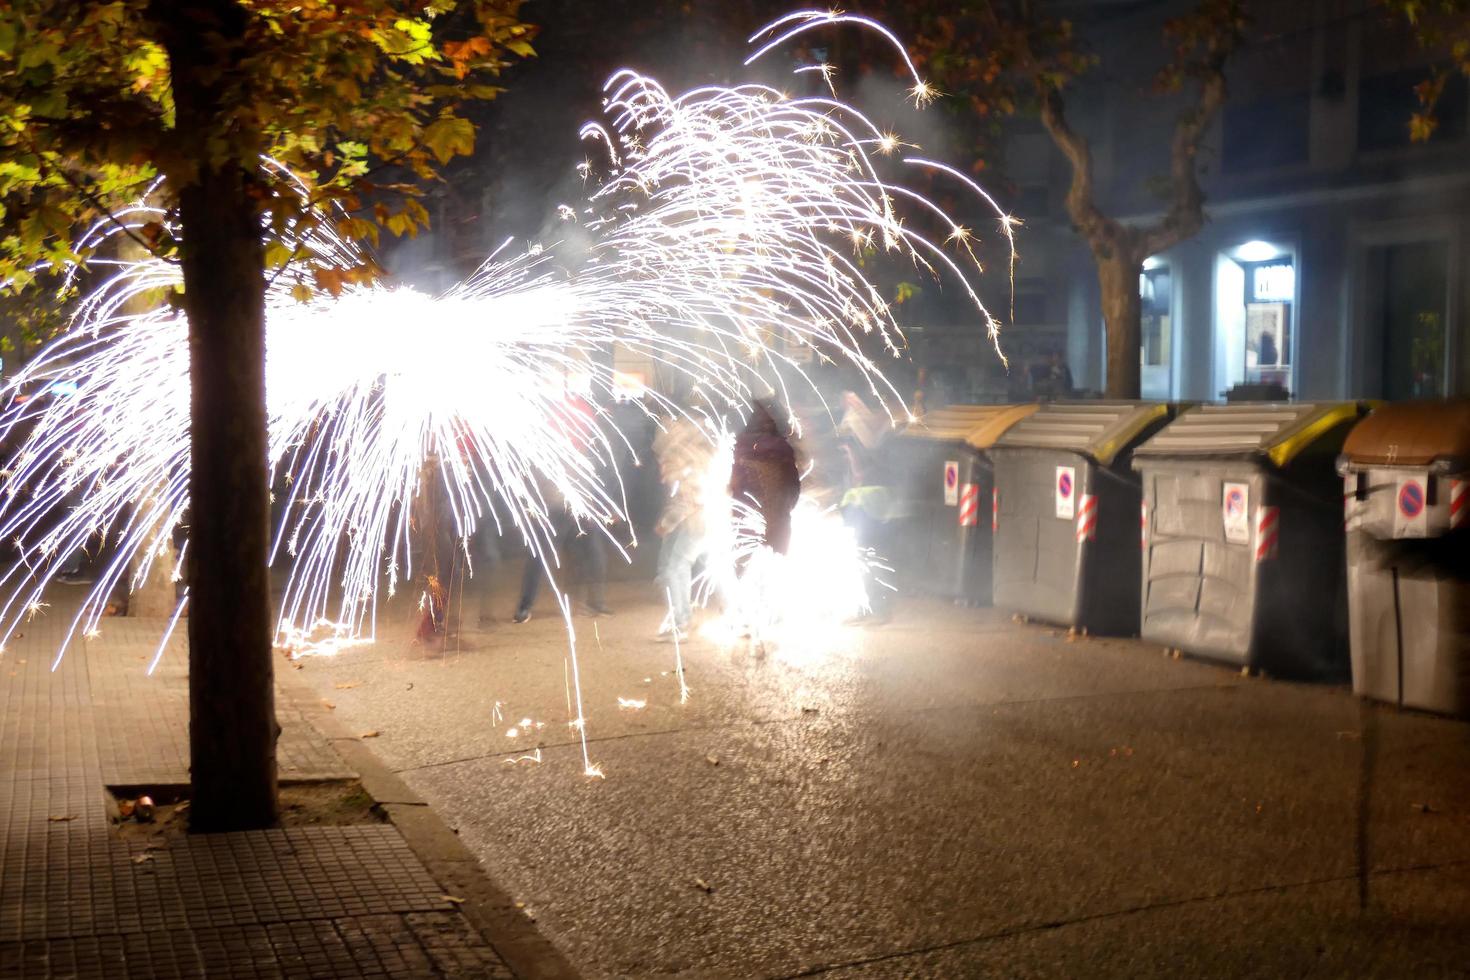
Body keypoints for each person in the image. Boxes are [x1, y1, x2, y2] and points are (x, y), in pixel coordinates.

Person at [652, 416, 712, 638]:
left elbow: (685, 497)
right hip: (714, 517)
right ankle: (741, 615)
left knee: (675, 568)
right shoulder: (701, 452)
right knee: (719, 568)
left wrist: (666, 524)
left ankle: (680, 622)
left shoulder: (676, 458)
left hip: (697, 520)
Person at [729, 401, 800, 558]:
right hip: (769, 513)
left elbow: (737, 487)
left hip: (751, 518)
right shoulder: (782, 448)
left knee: (747, 559)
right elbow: (793, 484)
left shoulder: (744, 446)